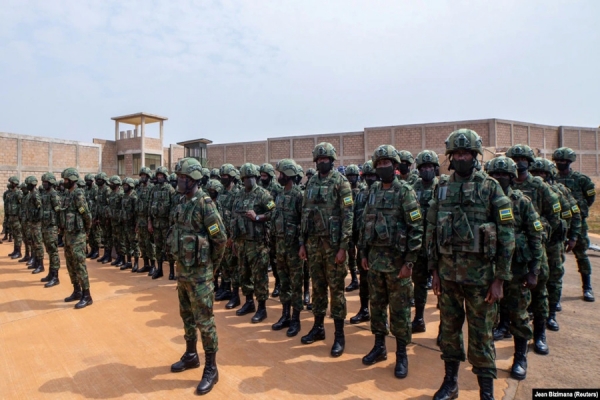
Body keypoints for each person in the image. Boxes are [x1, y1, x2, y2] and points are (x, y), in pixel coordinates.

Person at [426, 129, 515, 400]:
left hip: (482, 281)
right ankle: (450, 383)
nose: (462, 158)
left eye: (467, 153)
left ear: (475, 156)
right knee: (450, 333)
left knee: (482, 337)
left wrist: (499, 278)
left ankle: (485, 392)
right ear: (451, 158)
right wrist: (434, 271)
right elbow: (431, 229)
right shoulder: (441, 187)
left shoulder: (490, 187)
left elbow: (506, 233)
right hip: (449, 277)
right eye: (458, 154)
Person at [358, 145, 423, 378]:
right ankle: (379, 347)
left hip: (398, 266)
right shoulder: (373, 191)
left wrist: (409, 262)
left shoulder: (405, 191)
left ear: (395, 166)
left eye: (387, 163)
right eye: (380, 164)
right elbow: (366, 223)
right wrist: (363, 253)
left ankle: (402, 354)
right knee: (376, 307)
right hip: (375, 262)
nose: (383, 167)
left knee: (400, 312)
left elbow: (416, 228)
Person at [168, 158, 226, 395]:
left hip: (200, 276)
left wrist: (211, 269)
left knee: (205, 321)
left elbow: (220, 239)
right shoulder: (181, 202)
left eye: (181, 177)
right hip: (183, 273)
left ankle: (211, 369)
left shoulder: (206, 205)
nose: (178, 181)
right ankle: (191, 355)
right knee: (187, 316)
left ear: (192, 179)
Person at [487, 156, 543, 380]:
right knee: (491, 312)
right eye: (495, 175)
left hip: (517, 268)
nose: (499, 178)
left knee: (519, 314)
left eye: (504, 175)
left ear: (512, 177)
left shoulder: (521, 201)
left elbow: (535, 235)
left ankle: (520, 356)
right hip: (489, 268)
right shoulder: (484, 200)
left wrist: (534, 270)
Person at [506, 144, 561, 355]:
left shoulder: (539, 187)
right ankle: (505, 326)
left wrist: (537, 231)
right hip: (510, 254)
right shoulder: (502, 188)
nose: (519, 162)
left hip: (534, 250)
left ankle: (539, 335)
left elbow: (554, 215)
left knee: (538, 295)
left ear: (529, 163)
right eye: (515, 158)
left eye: (523, 159)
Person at [299, 142, 353, 357]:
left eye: (325, 159)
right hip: (313, 245)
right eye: (319, 159)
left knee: (336, 291)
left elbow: (348, 217)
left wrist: (343, 247)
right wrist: (302, 243)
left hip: (333, 247)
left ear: (332, 160)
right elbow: (305, 213)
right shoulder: (311, 183)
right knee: (317, 288)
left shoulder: (341, 183)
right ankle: (318, 327)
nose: (322, 162)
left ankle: (339, 335)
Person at [529, 157, 582, 330]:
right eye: (535, 172)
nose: (539, 176)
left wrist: (572, 236)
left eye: (542, 172)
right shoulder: (525, 190)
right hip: (532, 244)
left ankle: (550, 314)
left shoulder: (558, 192)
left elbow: (573, 213)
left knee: (552, 278)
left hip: (552, 244)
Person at [230, 163, 274, 323]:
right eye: (245, 178)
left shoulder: (264, 194)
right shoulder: (239, 195)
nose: (248, 180)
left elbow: (273, 212)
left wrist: (258, 217)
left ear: (256, 177)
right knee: (244, 274)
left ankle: (262, 308)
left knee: (259, 276)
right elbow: (234, 217)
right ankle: (249, 302)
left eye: (251, 177)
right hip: (242, 242)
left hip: (257, 243)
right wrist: (234, 240)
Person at [552, 147, 596, 302]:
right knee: (556, 259)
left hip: (578, 224)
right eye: (557, 161)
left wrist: (580, 211)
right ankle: (556, 294)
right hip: (559, 223)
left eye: (563, 161)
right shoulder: (553, 179)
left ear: (569, 162)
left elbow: (590, 197)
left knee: (581, 255)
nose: (560, 164)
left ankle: (587, 287)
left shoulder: (581, 179)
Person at [271, 159, 304, 336]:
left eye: (281, 174)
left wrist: (301, 245)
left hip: (293, 249)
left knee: (296, 284)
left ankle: (296, 319)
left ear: (289, 175)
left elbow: (303, 222)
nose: (279, 177)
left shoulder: (299, 195)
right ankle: (285, 314)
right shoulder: (280, 194)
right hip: (281, 246)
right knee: (284, 282)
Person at [411, 150, 441, 333]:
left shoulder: (442, 187)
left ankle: (443, 327)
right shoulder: (413, 187)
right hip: (419, 244)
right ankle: (419, 318)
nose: (427, 170)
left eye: (430, 167)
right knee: (419, 284)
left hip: (438, 245)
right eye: (423, 167)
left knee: (443, 287)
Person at [349, 160, 378, 325]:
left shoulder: (383, 192)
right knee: (364, 281)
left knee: (381, 284)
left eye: (373, 175)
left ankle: (380, 317)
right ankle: (364, 310)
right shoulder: (361, 194)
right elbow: (354, 217)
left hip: (380, 247)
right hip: (363, 245)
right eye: (367, 175)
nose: (370, 178)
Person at [60, 168, 93, 309]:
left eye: (66, 180)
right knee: (70, 265)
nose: (64, 182)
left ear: (73, 180)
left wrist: (86, 232)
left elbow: (86, 215)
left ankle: (87, 295)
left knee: (80, 265)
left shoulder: (78, 194)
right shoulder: (67, 194)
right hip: (68, 235)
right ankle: (77, 291)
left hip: (78, 236)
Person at [259, 163, 283, 298]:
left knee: (275, 258)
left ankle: (278, 283)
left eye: (265, 176)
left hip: (273, 228)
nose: (262, 178)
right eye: (261, 175)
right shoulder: (259, 188)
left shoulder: (276, 189)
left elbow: (274, 209)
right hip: (261, 229)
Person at [149, 166, 176, 279]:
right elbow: (149, 207)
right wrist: (149, 222)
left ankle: (171, 271)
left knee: (169, 248)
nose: (159, 177)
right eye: (158, 175)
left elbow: (174, 208)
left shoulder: (170, 189)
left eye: (161, 175)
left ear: (165, 176)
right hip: (156, 223)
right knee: (158, 247)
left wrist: (172, 225)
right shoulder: (154, 190)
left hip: (167, 224)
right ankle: (159, 269)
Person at [39, 172, 62, 287]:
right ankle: (50, 273)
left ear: (51, 183)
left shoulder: (54, 195)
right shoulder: (44, 194)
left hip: (52, 227)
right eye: (43, 182)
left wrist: (59, 227)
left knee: (53, 252)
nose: (44, 184)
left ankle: (55, 276)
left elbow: (59, 212)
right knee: (48, 250)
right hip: (45, 226)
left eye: (46, 182)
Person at [344, 164, 363, 292]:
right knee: (351, 254)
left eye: (353, 176)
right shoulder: (345, 192)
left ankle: (363, 279)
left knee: (361, 254)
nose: (351, 178)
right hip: (350, 228)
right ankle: (354, 279)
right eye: (349, 176)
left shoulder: (363, 190)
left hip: (361, 228)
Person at [135, 168, 156, 274]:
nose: (142, 177)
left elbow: (151, 206)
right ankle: (146, 264)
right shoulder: (139, 189)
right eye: (141, 175)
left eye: (144, 175)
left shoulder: (152, 188)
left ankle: (153, 265)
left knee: (149, 244)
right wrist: (138, 223)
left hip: (148, 219)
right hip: (140, 219)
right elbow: (138, 206)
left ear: (148, 176)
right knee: (142, 243)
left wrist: (149, 222)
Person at [24, 176, 45, 274]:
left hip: (36, 223)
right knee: (33, 243)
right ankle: (36, 261)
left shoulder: (36, 194)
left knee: (38, 244)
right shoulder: (30, 194)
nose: (26, 186)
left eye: (28, 184)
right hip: (31, 222)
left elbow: (40, 208)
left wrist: (37, 219)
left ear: (32, 184)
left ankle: (40, 264)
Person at [120, 177, 140, 271]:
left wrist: (137, 225)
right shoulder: (124, 196)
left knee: (134, 244)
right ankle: (128, 262)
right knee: (126, 243)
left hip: (132, 224)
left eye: (126, 185)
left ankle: (136, 263)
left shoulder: (134, 196)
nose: (124, 187)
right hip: (125, 223)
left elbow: (137, 212)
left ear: (131, 186)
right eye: (123, 185)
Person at [107, 176, 126, 268]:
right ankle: (118, 256)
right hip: (113, 220)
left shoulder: (121, 194)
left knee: (121, 240)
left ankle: (123, 259)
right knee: (116, 240)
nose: (110, 185)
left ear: (117, 184)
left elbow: (123, 208)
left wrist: (121, 218)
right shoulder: (111, 194)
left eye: (112, 183)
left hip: (119, 221)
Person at [95, 173, 113, 264]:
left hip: (106, 217)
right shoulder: (99, 190)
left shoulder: (107, 190)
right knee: (104, 236)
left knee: (108, 236)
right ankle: (105, 254)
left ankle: (108, 255)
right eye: (97, 179)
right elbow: (98, 205)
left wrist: (107, 217)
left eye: (100, 179)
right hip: (101, 216)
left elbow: (109, 205)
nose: (98, 181)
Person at [6, 177, 24, 259]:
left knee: (18, 235)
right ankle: (15, 250)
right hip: (11, 216)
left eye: (11, 183)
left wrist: (21, 215)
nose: (10, 184)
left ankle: (19, 251)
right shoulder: (11, 193)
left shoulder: (18, 193)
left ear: (14, 183)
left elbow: (22, 204)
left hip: (17, 216)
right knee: (14, 234)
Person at [84, 174, 101, 259]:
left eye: (88, 181)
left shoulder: (96, 189)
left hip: (94, 215)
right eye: (86, 180)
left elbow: (98, 203)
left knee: (96, 234)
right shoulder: (86, 190)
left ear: (92, 181)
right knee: (90, 234)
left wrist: (97, 216)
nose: (87, 182)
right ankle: (92, 250)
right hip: (88, 214)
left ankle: (97, 251)